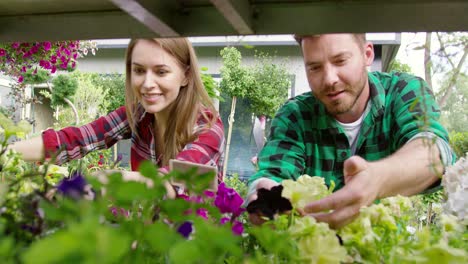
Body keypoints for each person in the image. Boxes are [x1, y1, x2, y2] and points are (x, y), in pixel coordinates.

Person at [246, 34, 454, 229]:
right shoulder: (295, 115)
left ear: (367, 54)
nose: (329, 79)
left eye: (340, 61)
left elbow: (433, 151)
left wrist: (378, 179)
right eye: (315, 67)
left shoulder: (403, 90)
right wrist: (264, 195)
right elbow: (273, 172)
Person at [9, 38, 225, 197]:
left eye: (161, 72)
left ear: (186, 76)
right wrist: (6, 154)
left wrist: (95, 181)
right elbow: (77, 139)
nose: (147, 84)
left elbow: (169, 183)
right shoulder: (139, 114)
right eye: (139, 71)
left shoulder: (208, 128)